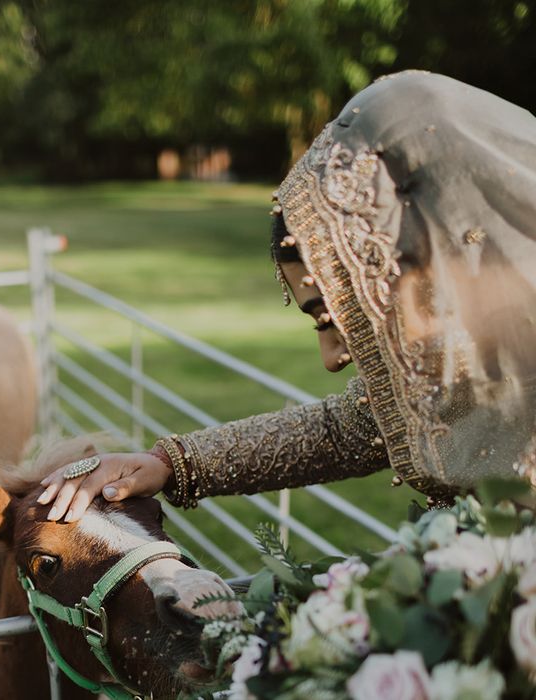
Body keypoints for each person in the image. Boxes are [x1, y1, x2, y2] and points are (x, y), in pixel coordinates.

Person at [40, 70, 536, 523]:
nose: (331, 359)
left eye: (341, 314)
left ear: (426, 265)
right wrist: (167, 464)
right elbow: (350, 429)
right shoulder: (448, 365)